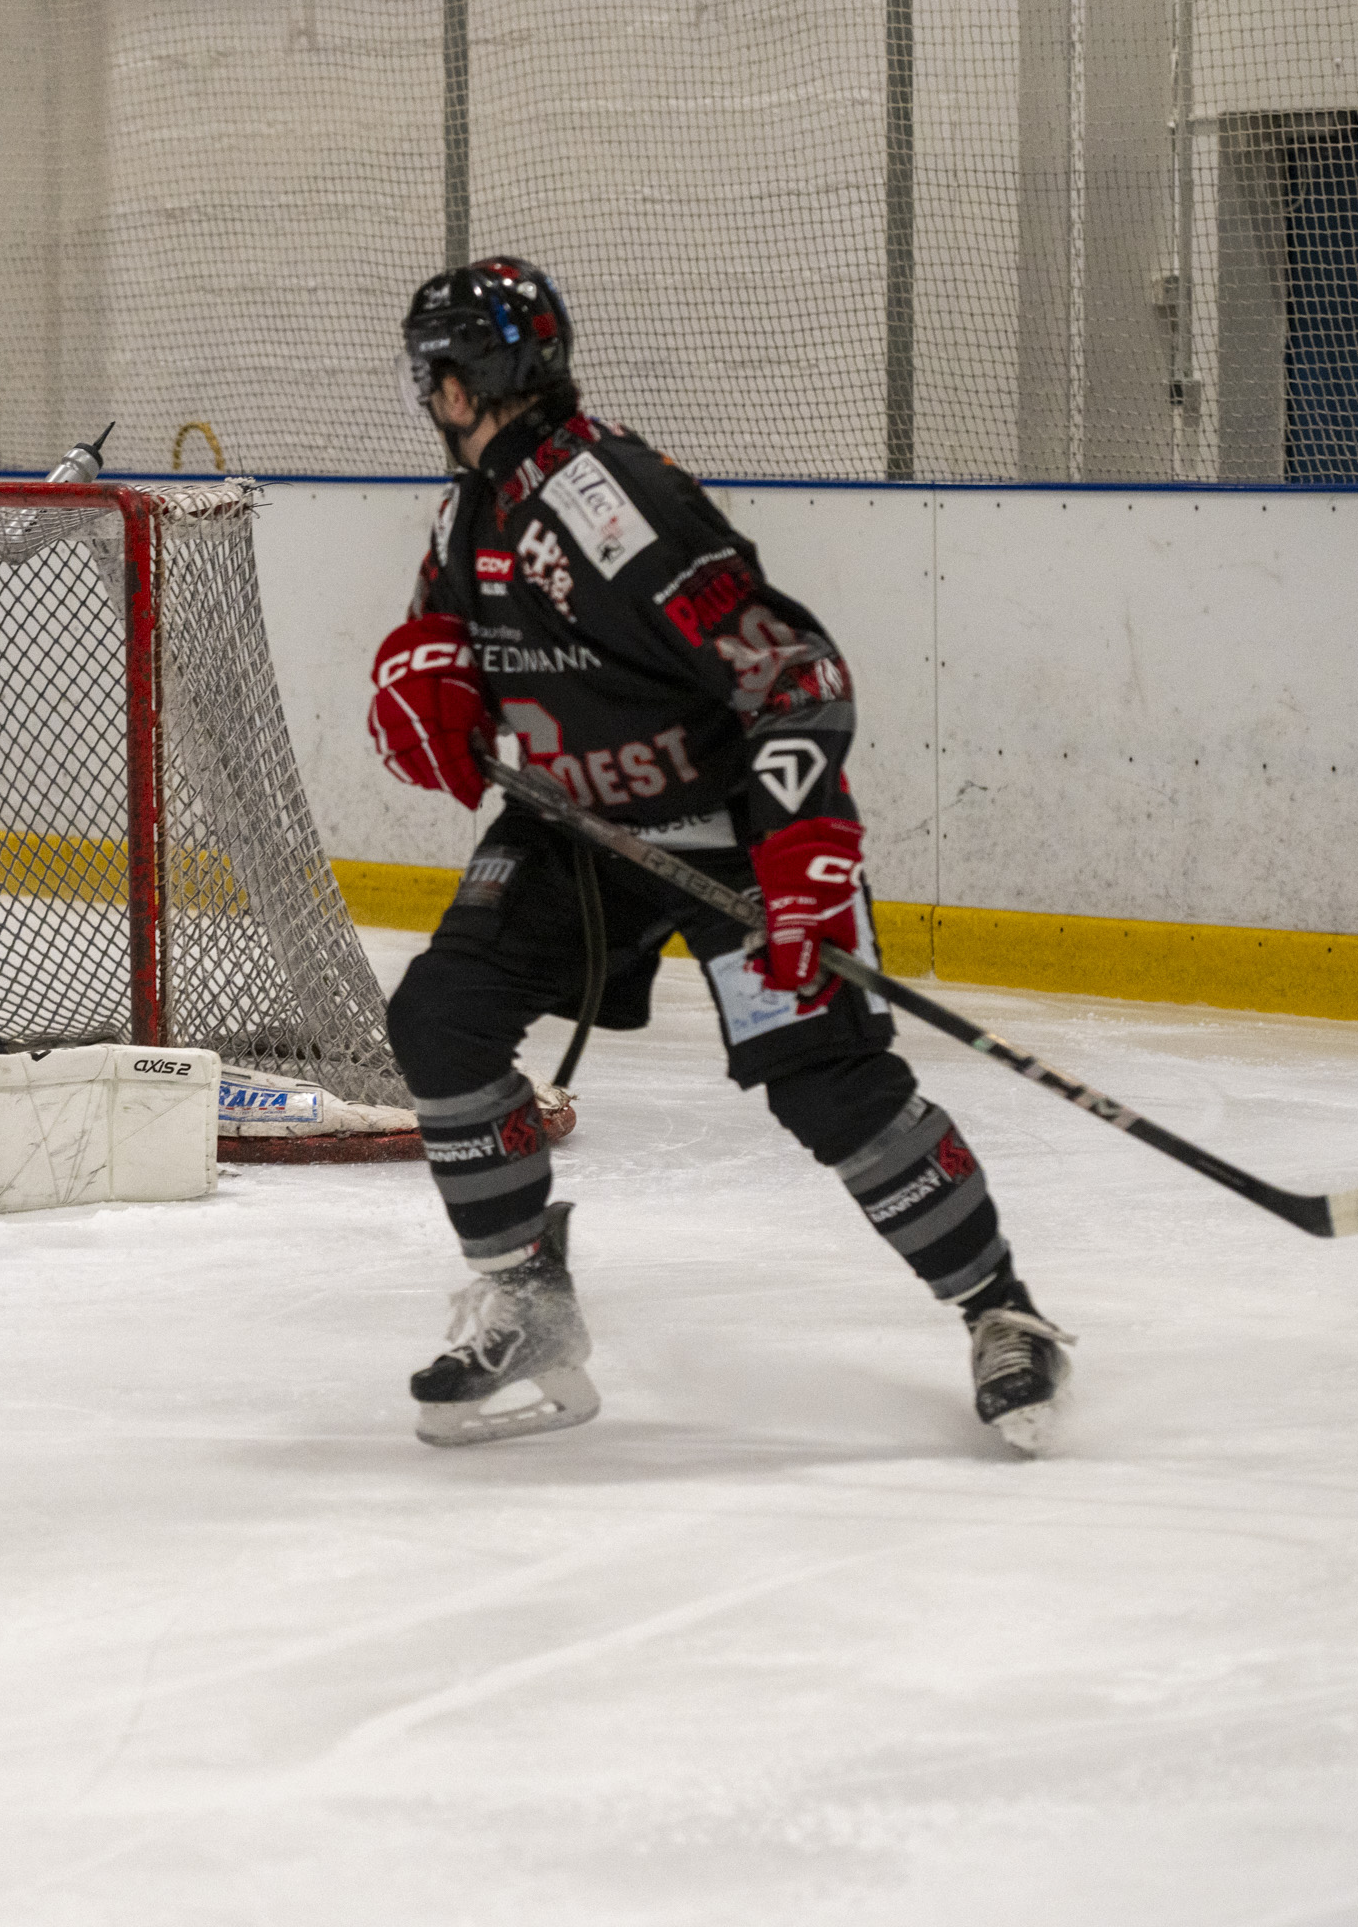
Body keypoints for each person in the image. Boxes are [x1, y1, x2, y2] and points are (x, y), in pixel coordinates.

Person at [367, 257, 1073, 1455]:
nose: (427, 397)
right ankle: (529, 1301)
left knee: (828, 1082)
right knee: (442, 1015)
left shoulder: (604, 501)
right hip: (577, 836)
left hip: (731, 835)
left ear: (475, 377)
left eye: (436, 374)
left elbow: (793, 671)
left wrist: (806, 841)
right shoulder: (470, 506)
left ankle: (1003, 1310)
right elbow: (456, 662)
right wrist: (425, 687)